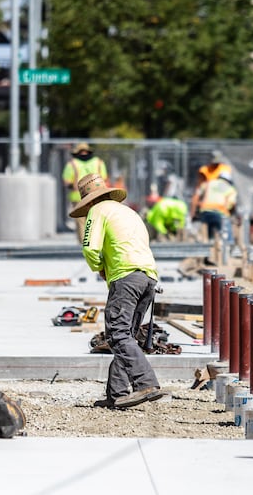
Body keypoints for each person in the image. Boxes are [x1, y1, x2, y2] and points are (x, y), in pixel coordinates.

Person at [70, 173, 166, 409]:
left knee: (118, 334)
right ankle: (117, 394)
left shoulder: (97, 211)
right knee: (127, 337)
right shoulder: (128, 212)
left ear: (89, 200)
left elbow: (90, 247)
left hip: (125, 277)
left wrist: (100, 268)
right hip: (148, 277)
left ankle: (146, 383)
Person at [62, 142, 108, 243]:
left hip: (78, 196)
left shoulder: (72, 164)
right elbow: (104, 178)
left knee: (81, 221)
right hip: (96, 195)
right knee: (96, 219)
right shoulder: (99, 162)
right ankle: (96, 241)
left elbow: (67, 181)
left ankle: (84, 243)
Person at [190, 171, 237, 242]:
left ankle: (208, 245)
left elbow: (197, 195)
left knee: (207, 237)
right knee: (226, 235)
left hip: (205, 212)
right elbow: (231, 203)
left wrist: (194, 213)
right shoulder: (230, 188)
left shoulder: (208, 183)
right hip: (220, 212)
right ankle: (227, 245)